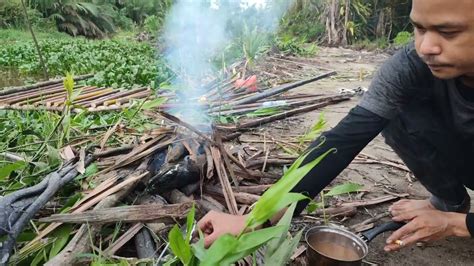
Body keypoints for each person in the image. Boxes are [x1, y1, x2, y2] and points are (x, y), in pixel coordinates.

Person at [198, 0, 474, 252]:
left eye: (448, 33)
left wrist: (457, 225)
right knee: (392, 114)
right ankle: (449, 200)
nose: (426, 47)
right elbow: (341, 142)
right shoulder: (409, 67)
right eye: (419, 28)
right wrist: (255, 219)